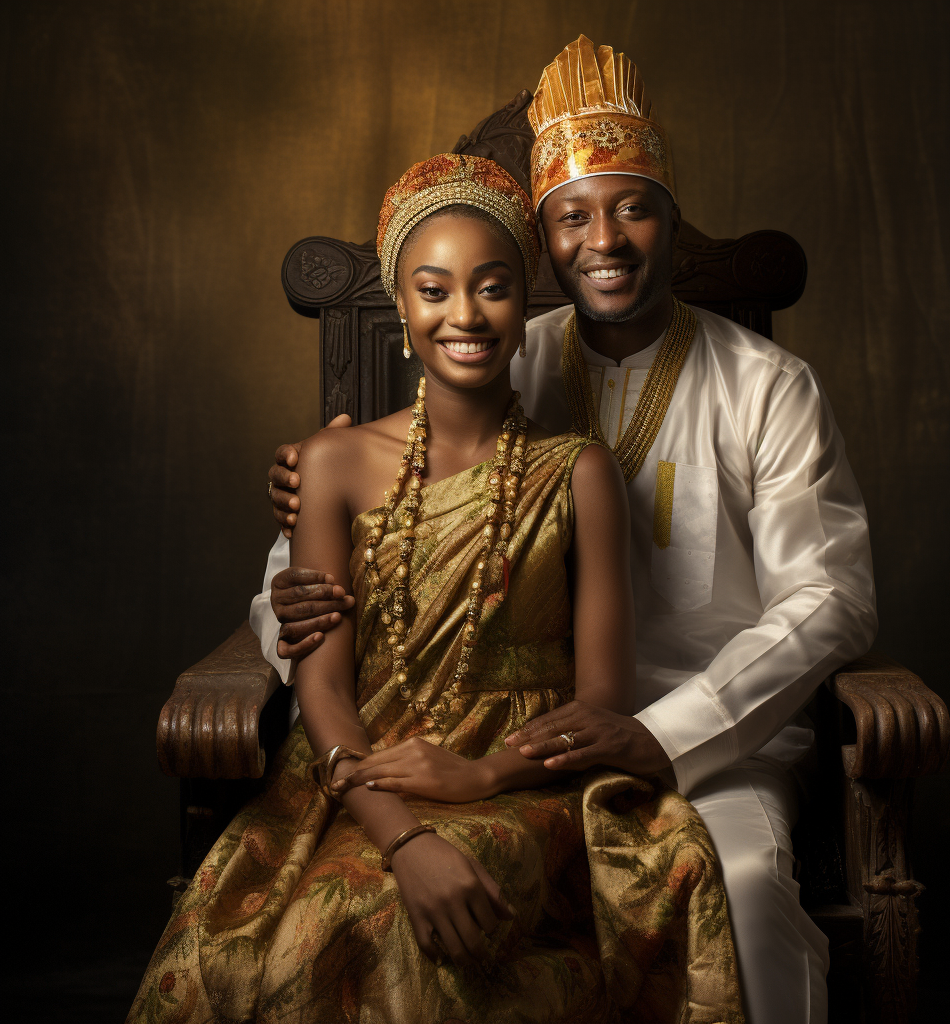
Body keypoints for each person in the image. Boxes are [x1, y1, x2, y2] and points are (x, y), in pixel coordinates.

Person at [256, 37, 877, 1024]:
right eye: (573, 217)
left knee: (745, 895)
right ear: (542, 237)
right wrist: (278, 600)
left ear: (668, 217)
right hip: (498, 734)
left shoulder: (765, 385)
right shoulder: (498, 349)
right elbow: (359, 530)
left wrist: (657, 732)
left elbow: (831, 597)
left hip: (707, 738)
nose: (606, 241)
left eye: (632, 207)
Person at [129, 153, 743, 1023]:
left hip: (527, 777)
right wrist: (405, 834)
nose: (465, 314)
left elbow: (604, 695)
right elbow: (326, 687)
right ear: (403, 309)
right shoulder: (333, 463)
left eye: (492, 287)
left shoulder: (580, 472)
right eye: (434, 289)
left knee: (444, 921)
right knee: (337, 918)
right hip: (361, 771)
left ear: (527, 305)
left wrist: (483, 775)